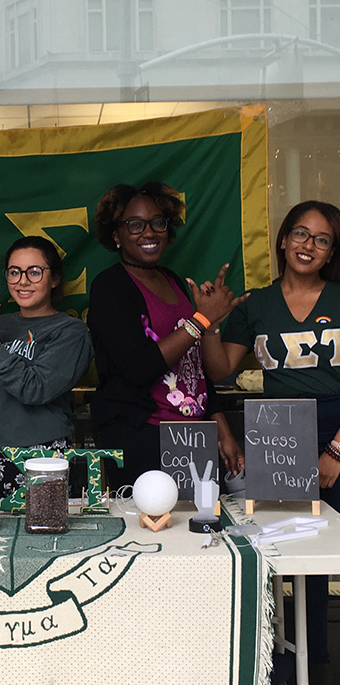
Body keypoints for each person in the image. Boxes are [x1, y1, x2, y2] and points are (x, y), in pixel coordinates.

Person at [201, 200, 340, 682]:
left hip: (338, 426)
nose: (309, 245)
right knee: (288, 548)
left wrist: (336, 449)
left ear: (330, 252)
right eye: (301, 234)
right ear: (283, 240)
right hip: (279, 428)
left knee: (334, 548)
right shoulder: (257, 304)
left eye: (321, 240)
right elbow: (221, 370)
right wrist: (210, 321)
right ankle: (291, 657)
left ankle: (320, 657)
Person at [86, 181, 244, 489]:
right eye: (135, 225)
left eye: (158, 223)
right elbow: (136, 368)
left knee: (202, 528)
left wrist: (222, 430)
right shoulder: (110, 287)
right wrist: (201, 320)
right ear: (116, 235)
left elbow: (194, 367)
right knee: (153, 530)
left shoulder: (171, 279)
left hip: (193, 435)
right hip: (142, 435)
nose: (149, 232)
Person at [0, 235, 93, 496]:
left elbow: (35, 389)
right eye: (14, 272)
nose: (23, 281)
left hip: (43, 457)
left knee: (46, 536)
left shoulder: (70, 331)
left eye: (35, 272)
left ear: (55, 279)